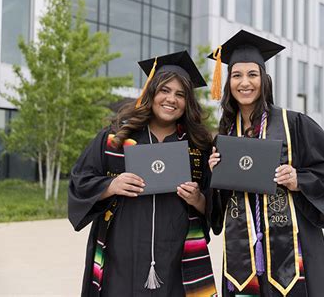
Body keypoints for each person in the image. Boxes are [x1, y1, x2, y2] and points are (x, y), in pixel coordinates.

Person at [207, 30, 324, 297]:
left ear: (264, 80)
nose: (244, 83)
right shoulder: (224, 135)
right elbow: (219, 204)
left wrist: (299, 179)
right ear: (228, 82)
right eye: (236, 75)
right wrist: (215, 175)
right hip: (241, 254)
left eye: (252, 75)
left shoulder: (293, 123)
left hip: (294, 247)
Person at [68, 51, 217, 296]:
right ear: (151, 93)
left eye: (180, 94)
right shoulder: (115, 138)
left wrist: (198, 199)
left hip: (178, 257)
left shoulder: (198, 146)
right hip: (121, 254)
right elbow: (80, 181)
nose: (171, 99)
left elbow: (215, 203)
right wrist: (111, 186)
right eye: (165, 90)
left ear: (188, 102)